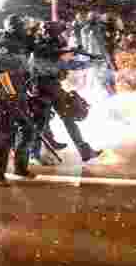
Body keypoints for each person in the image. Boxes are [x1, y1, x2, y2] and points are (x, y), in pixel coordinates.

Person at [31, 21, 102, 164]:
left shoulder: (45, 46)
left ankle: (83, 151)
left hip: (47, 86)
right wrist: (90, 62)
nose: (63, 36)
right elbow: (67, 64)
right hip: (46, 87)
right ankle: (36, 153)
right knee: (49, 121)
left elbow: (65, 61)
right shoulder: (44, 47)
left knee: (54, 120)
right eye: (60, 33)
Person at [0, 15, 38, 185]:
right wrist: (10, 95)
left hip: (20, 93)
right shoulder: (4, 44)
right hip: (5, 96)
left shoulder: (20, 44)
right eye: (23, 27)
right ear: (14, 27)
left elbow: (26, 65)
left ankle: (20, 166)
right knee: (4, 135)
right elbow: (2, 73)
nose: (26, 30)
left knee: (28, 129)